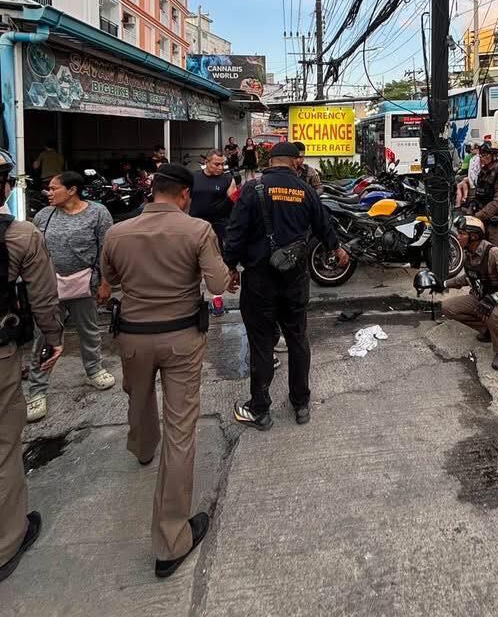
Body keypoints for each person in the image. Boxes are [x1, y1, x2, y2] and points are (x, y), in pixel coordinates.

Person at [100, 163, 230, 579]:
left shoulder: (116, 233)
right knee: (181, 431)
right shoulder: (197, 231)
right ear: (185, 195)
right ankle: (171, 540)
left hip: (133, 337)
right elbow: (218, 284)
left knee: (138, 399)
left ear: (152, 191)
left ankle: (141, 448)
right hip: (181, 339)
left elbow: (110, 281)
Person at [224, 141, 350, 429]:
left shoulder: (252, 189)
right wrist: (337, 248)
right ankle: (301, 404)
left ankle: (260, 409)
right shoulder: (304, 190)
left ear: (271, 161)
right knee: (297, 338)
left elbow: (235, 232)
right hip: (294, 279)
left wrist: (231, 266)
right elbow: (323, 225)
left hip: (259, 280)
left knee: (261, 344)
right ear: (294, 162)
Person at [0, 148, 63, 584]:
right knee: (5, 444)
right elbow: (42, 296)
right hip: (2, 351)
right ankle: (7, 540)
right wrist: (53, 339)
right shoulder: (20, 236)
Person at [26, 171, 115, 423]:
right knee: (44, 335)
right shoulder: (43, 216)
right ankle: (37, 390)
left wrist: (106, 283)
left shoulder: (98, 213)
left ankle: (94, 369)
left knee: (89, 330)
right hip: (49, 286)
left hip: (84, 283)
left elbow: (105, 250)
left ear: (72, 190)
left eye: (54, 188)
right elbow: (34, 254)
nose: (49, 193)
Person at [442, 216, 498, 371]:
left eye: (461, 233)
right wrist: (443, 283)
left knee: (493, 312)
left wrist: (494, 298)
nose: (457, 236)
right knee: (447, 307)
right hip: (483, 299)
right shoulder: (468, 252)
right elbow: (469, 277)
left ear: (473, 236)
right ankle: (489, 331)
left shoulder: (495, 254)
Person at [189, 149, 237, 316]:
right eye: (217, 164)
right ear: (207, 162)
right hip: (195, 225)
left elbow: (234, 201)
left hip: (219, 226)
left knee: (215, 264)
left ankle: (217, 299)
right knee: (192, 264)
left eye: (223, 164)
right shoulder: (193, 178)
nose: (220, 167)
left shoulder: (227, 179)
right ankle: (191, 300)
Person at [469, 140, 498, 252]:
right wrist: (469, 214)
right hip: (483, 221)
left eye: (485, 154)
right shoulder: (483, 173)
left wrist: (477, 216)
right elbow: (477, 196)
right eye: (481, 154)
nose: (481, 157)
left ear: (495, 156)